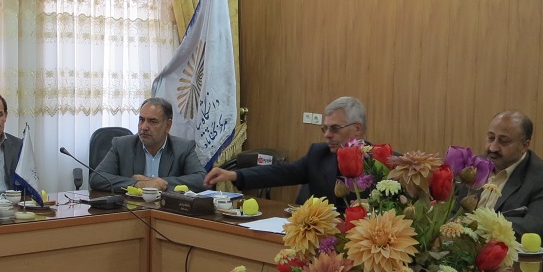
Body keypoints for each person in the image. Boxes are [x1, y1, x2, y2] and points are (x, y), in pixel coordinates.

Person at [204, 96, 368, 208]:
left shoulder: (377, 161)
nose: (327, 135)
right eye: (325, 128)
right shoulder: (319, 154)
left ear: (357, 129)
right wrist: (235, 175)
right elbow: (281, 172)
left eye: (335, 128)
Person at [479, 110, 543, 243]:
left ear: (524, 146)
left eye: (504, 141)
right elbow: (452, 211)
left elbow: (538, 227)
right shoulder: (473, 166)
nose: (493, 147)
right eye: (491, 138)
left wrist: (479, 226)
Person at [90, 97, 206, 192]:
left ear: (167, 125)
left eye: (152, 121)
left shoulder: (183, 148)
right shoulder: (122, 145)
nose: (144, 127)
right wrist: (138, 184)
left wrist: (157, 183)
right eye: (141, 120)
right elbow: (97, 178)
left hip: (165, 210)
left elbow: (202, 179)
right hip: (131, 209)